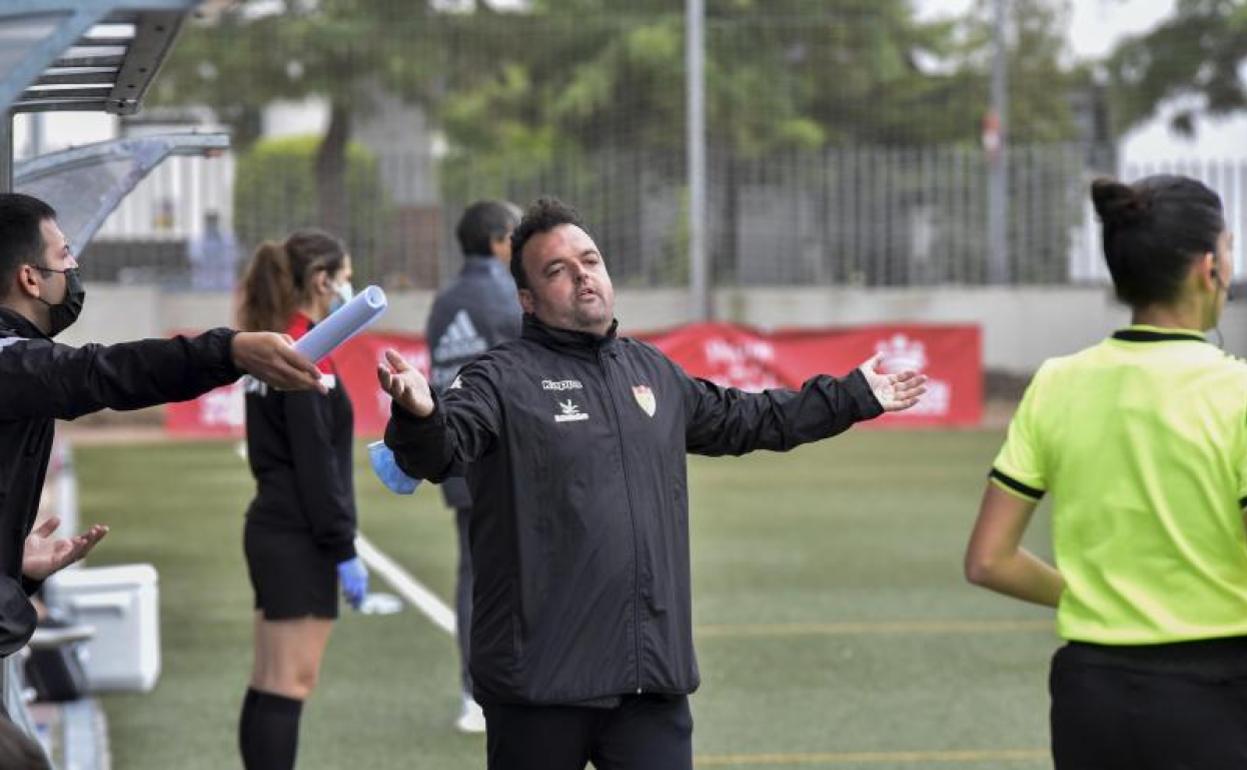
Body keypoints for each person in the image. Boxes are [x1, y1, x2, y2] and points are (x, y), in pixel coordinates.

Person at [377, 197, 927, 770]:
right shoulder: (498, 377)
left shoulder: (651, 372)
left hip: (648, 683)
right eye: (557, 270)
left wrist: (852, 397)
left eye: (589, 260)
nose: (581, 275)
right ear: (528, 300)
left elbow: (751, 417)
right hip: (538, 686)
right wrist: (420, 414)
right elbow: (443, 447)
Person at [964, 175, 1247, 769]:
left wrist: (1100, 597)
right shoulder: (1238, 393)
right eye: (1228, 247)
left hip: (1090, 693)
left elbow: (990, 559)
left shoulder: (1056, 383)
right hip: (1216, 693)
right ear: (1208, 268)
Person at [0, 192, 323, 662]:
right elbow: (104, 373)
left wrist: (16, 571)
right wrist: (229, 352)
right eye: (63, 254)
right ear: (30, 278)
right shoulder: (11, 361)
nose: (73, 266)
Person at [235, 229, 367, 770]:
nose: (350, 289)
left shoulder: (280, 343)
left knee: (270, 679)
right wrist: (342, 547)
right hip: (298, 535)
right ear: (321, 280)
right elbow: (316, 464)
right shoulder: (305, 352)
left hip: (276, 526)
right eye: (346, 277)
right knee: (289, 683)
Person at [426, 200, 523, 733]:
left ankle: (473, 693)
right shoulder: (508, 296)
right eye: (515, 233)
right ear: (496, 240)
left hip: (456, 455)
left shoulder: (443, 303)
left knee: (474, 573)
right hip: (507, 458)